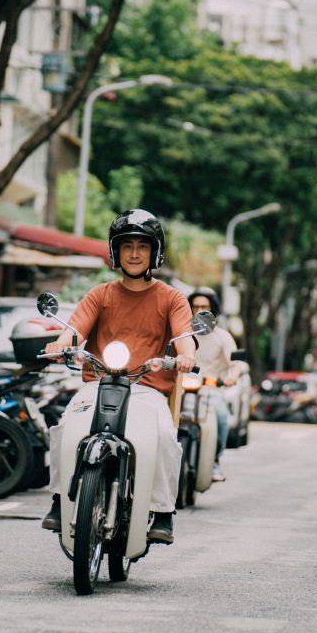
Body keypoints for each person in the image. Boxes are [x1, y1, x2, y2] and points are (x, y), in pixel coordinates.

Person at [40, 209, 196, 544]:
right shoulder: (100, 294)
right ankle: (58, 499)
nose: (135, 253)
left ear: (155, 252)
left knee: (166, 437)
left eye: (143, 245)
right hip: (99, 383)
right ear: (115, 251)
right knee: (64, 426)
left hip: (147, 389)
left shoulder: (172, 298)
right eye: (127, 246)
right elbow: (74, 330)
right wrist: (60, 343)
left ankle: (164, 512)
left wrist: (185, 356)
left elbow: (183, 336)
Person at [187, 287, 242, 481]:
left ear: (213, 309)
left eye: (205, 306)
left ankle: (215, 461)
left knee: (220, 417)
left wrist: (231, 377)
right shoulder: (181, 333)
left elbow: (235, 364)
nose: (200, 310)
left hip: (210, 390)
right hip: (181, 390)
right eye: (196, 306)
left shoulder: (223, 336)